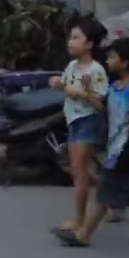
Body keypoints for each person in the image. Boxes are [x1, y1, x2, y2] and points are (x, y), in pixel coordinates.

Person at [55, 37, 129, 249]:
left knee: (105, 193)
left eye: (112, 56)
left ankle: (84, 234)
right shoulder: (115, 86)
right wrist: (86, 93)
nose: (108, 60)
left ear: (125, 62)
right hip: (116, 146)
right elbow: (104, 110)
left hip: (127, 149)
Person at [50, 19, 109, 233]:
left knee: (79, 171)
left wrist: (82, 93)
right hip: (73, 121)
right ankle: (108, 199)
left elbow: (100, 103)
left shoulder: (96, 70)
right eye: (70, 37)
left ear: (89, 44)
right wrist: (59, 84)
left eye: (76, 37)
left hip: (88, 122)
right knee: (82, 170)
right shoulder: (72, 66)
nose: (70, 41)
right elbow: (67, 86)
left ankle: (80, 220)